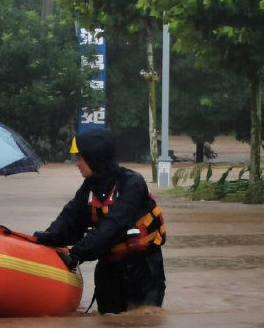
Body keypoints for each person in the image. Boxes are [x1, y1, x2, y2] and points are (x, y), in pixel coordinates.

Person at [33, 129, 166, 314]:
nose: (77, 164)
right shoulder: (88, 189)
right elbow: (68, 219)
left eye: (79, 158)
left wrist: (75, 254)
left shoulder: (132, 183)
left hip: (143, 270)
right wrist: (43, 239)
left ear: (93, 157)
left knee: (142, 324)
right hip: (109, 272)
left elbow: (113, 225)